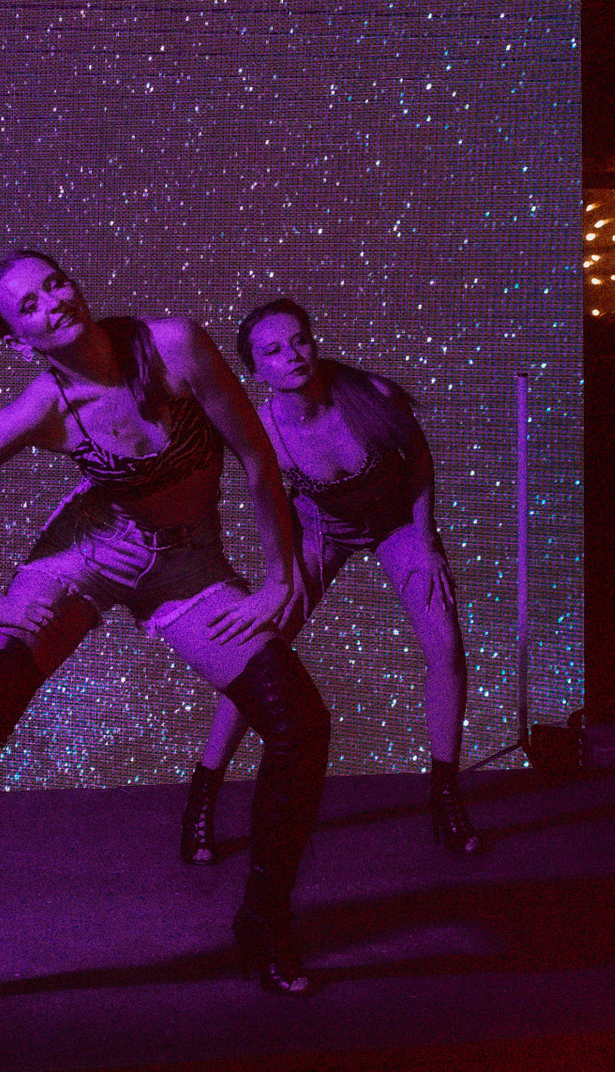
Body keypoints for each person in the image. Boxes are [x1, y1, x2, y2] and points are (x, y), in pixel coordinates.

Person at [0, 250, 331, 1013]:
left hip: (187, 564)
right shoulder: (46, 406)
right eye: (29, 305)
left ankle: (263, 924)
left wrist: (279, 576)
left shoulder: (173, 345)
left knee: (301, 723)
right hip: (91, 552)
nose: (53, 301)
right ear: (18, 341)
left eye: (55, 283)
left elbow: (257, 458)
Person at [178, 298, 479, 866]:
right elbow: (272, 512)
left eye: (299, 340)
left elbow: (417, 460)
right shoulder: (263, 432)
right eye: (273, 350)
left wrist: (426, 539)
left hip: (397, 525)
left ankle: (445, 795)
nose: (291, 355)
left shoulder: (371, 395)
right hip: (320, 531)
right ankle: (203, 797)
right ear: (256, 370)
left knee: (445, 647)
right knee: (257, 655)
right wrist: (279, 581)